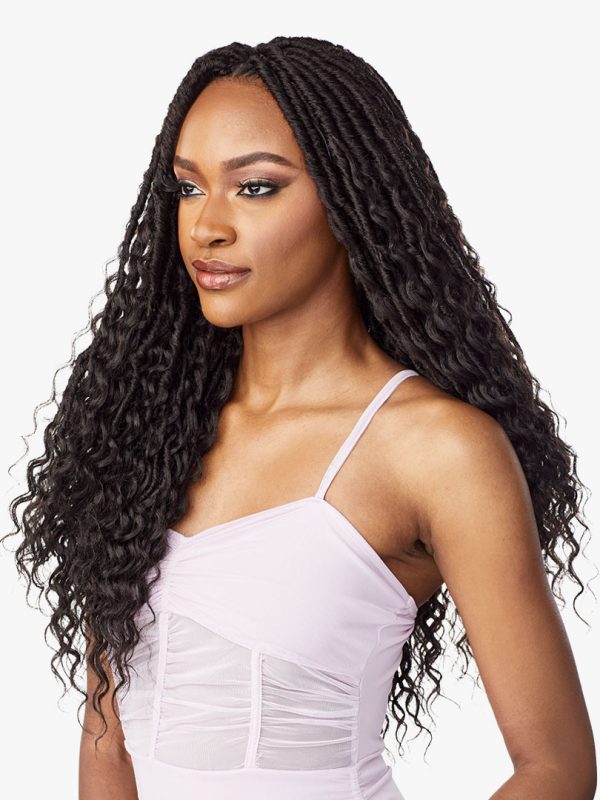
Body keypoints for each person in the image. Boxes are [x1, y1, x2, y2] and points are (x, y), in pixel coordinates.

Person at [4, 35, 595, 800]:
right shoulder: (143, 431)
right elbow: (108, 747)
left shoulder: (436, 448)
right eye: (188, 188)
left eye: (255, 188)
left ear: (351, 200)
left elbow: (556, 768)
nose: (206, 226)